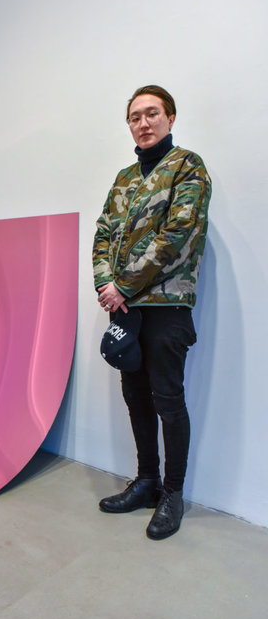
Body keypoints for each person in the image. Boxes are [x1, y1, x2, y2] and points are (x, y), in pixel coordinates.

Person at [92, 85, 211, 540]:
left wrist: (123, 284)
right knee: (135, 396)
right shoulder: (124, 177)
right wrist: (107, 284)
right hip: (125, 309)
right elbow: (104, 231)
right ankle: (146, 482)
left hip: (166, 306)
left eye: (152, 114)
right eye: (135, 117)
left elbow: (178, 233)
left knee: (168, 400)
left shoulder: (187, 167)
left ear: (171, 118)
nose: (143, 123)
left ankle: (172, 494)